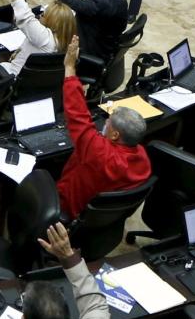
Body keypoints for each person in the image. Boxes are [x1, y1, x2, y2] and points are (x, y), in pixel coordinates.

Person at [57, 37, 151, 218]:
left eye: (109, 121)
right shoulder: (143, 160)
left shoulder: (100, 153)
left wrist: (69, 67)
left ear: (115, 135)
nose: (105, 122)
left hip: (69, 208)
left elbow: (77, 115)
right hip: (97, 218)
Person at [0, 0, 75, 77]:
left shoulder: (44, 38)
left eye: (43, 14)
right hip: (38, 82)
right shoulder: (67, 40)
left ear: (52, 22)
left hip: (14, 78)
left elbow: (24, 12)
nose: (39, 16)